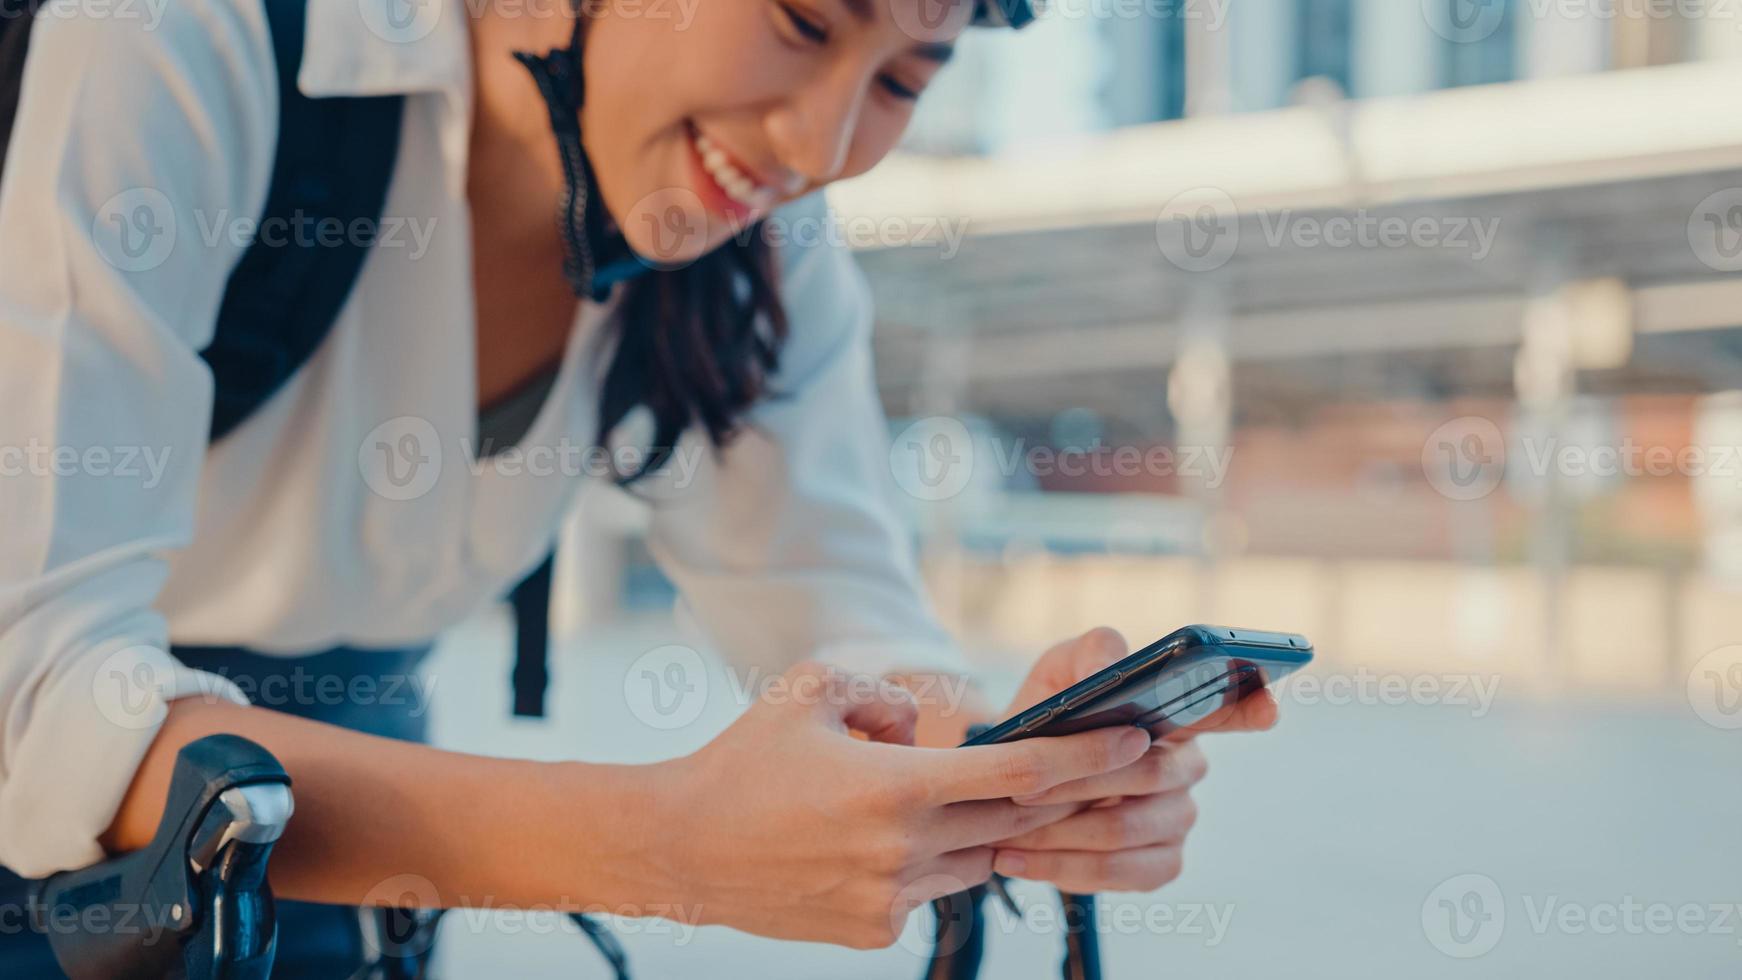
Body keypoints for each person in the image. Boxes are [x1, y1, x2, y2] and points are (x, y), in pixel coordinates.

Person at [0, 0, 1277, 972]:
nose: (820, 145)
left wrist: (1010, 766)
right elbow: (38, 703)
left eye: (899, 79)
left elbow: (844, 624)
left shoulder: (761, 242)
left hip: (341, 821)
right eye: (799, 23)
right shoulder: (180, 38)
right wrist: (664, 844)